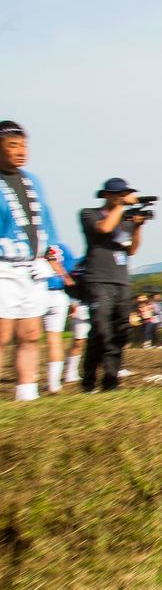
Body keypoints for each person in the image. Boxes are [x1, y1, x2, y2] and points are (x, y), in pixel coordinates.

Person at [0, 121, 63, 401]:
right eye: (13, 145)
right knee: (1, 334)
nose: (21, 151)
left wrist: (52, 250)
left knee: (30, 333)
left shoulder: (33, 181)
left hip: (33, 265)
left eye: (23, 145)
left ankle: (26, 393)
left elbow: (46, 219)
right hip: (3, 264)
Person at [79, 177, 145, 392]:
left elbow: (132, 249)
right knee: (100, 330)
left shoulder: (125, 219)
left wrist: (136, 227)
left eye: (125, 194)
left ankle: (110, 381)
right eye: (118, 194)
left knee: (119, 333)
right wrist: (121, 206)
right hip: (98, 279)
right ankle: (88, 381)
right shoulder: (90, 214)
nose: (123, 197)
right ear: (106, 195)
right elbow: (104, 228)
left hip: (121, 281)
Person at [39, 242, 76, 393]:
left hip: (38, 291)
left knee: (27, 339)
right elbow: (73, 272)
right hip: (60, 295)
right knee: (55, 340)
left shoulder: (33, 243)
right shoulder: (63, 247)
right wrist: (74, 299)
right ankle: (53, 383)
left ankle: (27, 382)